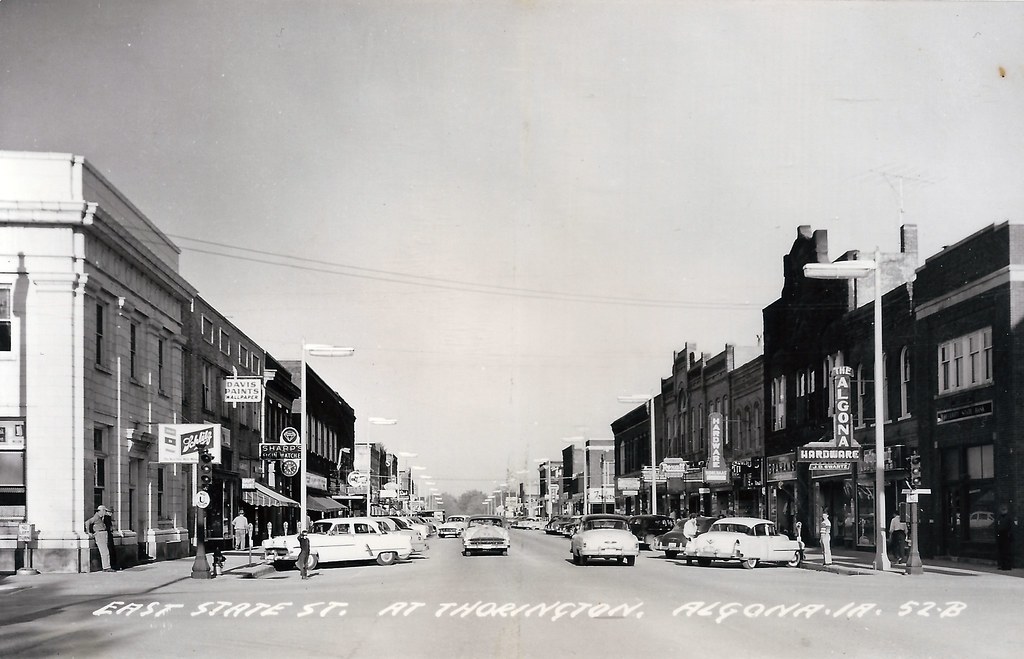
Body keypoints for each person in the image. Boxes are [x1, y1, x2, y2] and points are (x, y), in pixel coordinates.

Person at [85, 505, 115, 572]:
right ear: (100, 511)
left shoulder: (101, 517)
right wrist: (89, 532)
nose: (105, 512)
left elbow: (109, 514)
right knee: (105, 551)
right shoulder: (96, 517)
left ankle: (106, 566)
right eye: (104, 510)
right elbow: (87, 522)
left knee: (105, 551)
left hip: (102, 534)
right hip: (100, 534)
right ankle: (106, 567)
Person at [995, 505, 1013, 571]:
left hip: (1006, 535)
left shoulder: (1008, 518)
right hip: (1001, 535)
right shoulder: (999, 517)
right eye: (1002, 510)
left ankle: (1007, 565)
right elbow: (997, 526)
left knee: (1006, 551)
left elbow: (1011, 527)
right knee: (1001, 551)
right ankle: (1002, 565)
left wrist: (1009, 534)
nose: (1003, 511)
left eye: (1004, 510)